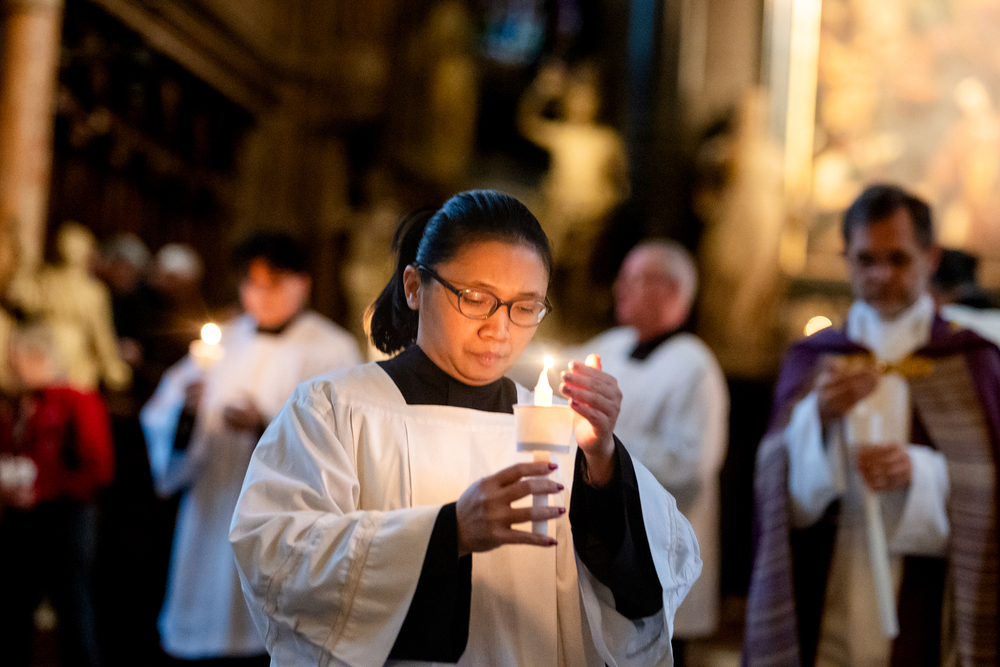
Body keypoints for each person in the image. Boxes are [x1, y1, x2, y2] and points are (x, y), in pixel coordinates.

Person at [228, 190, 702, 666]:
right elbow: (276, 555)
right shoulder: (335, 408)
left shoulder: (559, 427)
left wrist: (601, 461)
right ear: (414, 287)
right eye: (476, 298)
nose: (500, 329)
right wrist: (446, 533)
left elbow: (648, 585)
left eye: (525, 306)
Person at [743, 184, 1000, 666]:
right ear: (846, 259)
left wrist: (921, 473)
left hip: (930, 594)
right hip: (831, 577)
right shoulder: (814, 358)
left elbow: (991, 485)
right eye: (865, 260)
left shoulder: (973, 361)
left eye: (898, 259)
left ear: (931, 256)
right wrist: (817, 420)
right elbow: (772, 480)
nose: (880, 275)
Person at [141, 230, 361, 664]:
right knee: (205, 627)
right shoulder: (224, 340)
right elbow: (161, 416)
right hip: (212, 508)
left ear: (302, 283)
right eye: (250, 282)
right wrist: (188, 412)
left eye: (273, 283)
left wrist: (263, 425)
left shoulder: (332, 350)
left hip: (278, 521)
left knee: (266, 640)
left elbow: (339, 442)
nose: (260, 294)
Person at [578, 240, 728, 664]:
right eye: (623, 277)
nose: (620, 287)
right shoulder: (613, 344)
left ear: (672, 291)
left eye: (636, 279)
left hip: (663, 549)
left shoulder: (695, 365)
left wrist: (605, 441)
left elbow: (691, 464)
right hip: (610, 546)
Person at [0, 317, 115, 667]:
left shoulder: (78, 400)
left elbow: (98, 469)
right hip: (23, 519)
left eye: (19, 358)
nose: (14, 366)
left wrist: (41, 490)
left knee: (72, 604)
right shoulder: (20, 403)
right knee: (16, 607)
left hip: (68, 518)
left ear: (39, 357)